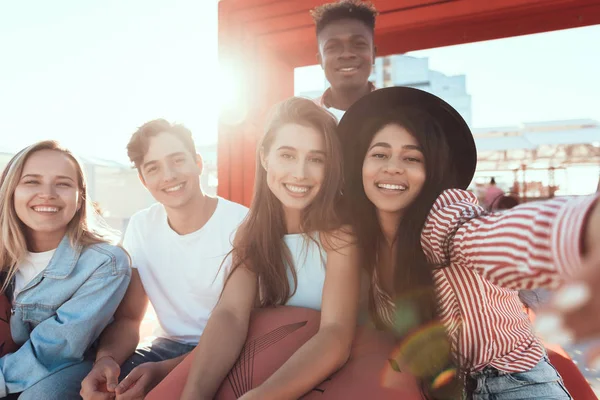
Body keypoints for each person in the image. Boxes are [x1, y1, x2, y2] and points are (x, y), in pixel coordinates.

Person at [339, 87, 600, 399]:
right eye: (379, 154)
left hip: (515, 385)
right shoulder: (360, 238)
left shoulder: (444, 216)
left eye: (412, 157)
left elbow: (496, 235)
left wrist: (588, 228)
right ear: (361, 166)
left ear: (431, 171)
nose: (393, 166)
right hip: (439, 389)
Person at [147, 97, 361, 400]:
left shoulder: (340, 235)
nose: (300, 173)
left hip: (331, 378)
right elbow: (230, 315)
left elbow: (335, 334)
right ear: (264, 157)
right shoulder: (252, 231)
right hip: (270, 365)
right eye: (287, 155)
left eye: (316, 159)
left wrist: (263, 396)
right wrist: (194, 394)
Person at [79, 120, 248, 399]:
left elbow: (252, 326)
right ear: (144, 180)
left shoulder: (242, 224)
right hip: (167, 346)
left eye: (178, 160)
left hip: (236, 349)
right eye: (153, 168)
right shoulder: (141, 226)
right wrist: (106, 361)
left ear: (197, 163)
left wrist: (166, 370)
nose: (168, 175)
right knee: (99, 387)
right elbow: (131, 318)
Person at [0, 141, 131, 400]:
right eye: (32, 182)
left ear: (80, 196)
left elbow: (55, 349)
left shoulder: (105, 263)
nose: (47, 193)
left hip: (66, 367)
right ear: (11, 191)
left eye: (62, 183)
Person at [311, 0, 378, 120]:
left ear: (373, 54)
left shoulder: (400, 112)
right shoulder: (305, 119)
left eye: (359, 44)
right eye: (332, 47)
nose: (346, 54)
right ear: (320, 60)